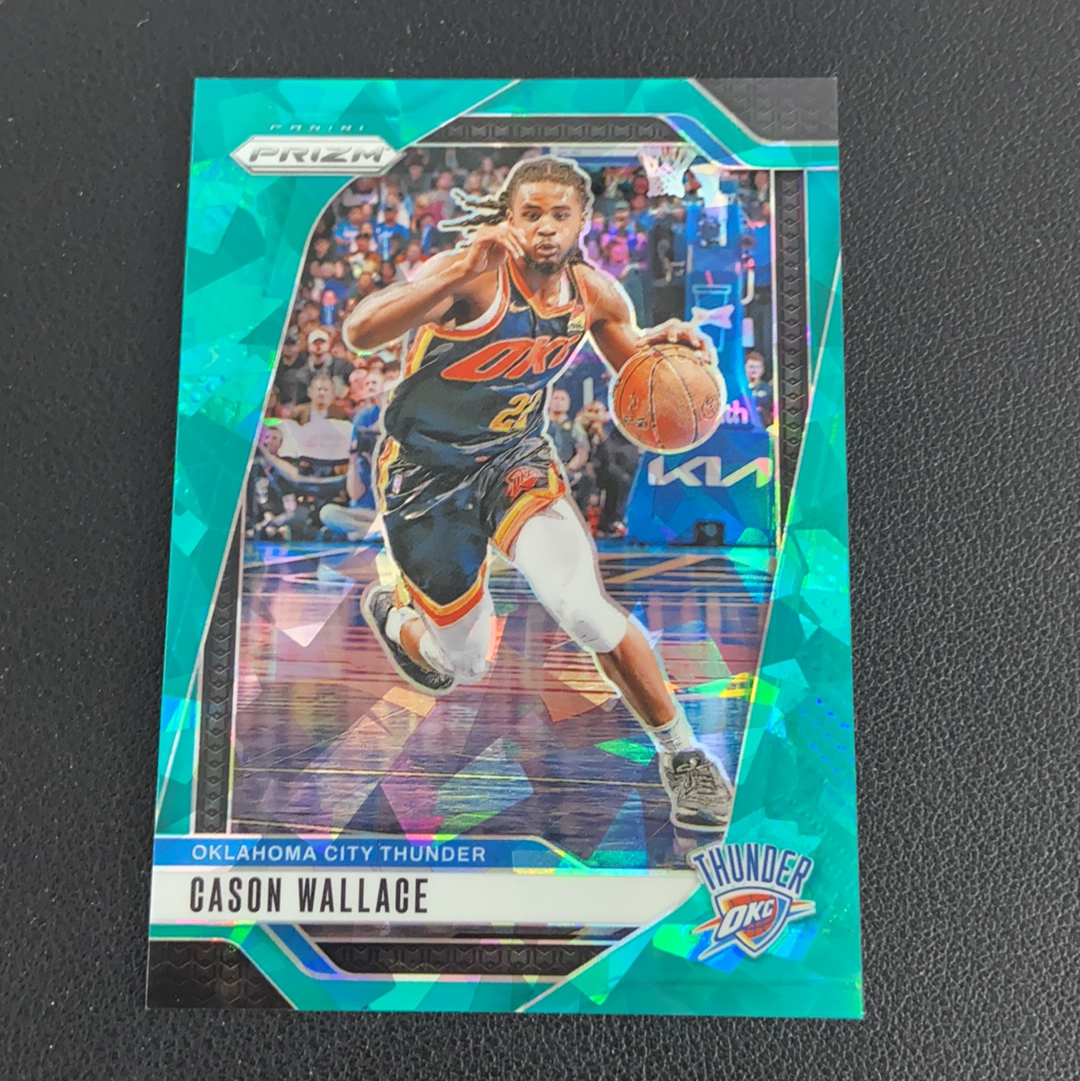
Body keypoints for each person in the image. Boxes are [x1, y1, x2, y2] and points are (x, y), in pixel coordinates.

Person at [343, 155, 733, 834]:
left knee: (584, 609)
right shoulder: (471, 274)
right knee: (464, 662)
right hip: (426, 475)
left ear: (583, 222)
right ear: (509, 219)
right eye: (531, 214)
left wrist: (663, 352)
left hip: (514, 460)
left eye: (560, 214)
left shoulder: (597, 295)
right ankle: (398, 618)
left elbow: (638, 377)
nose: (545, 227)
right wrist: (453, 271)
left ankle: (684, 754)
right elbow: (360, 331)